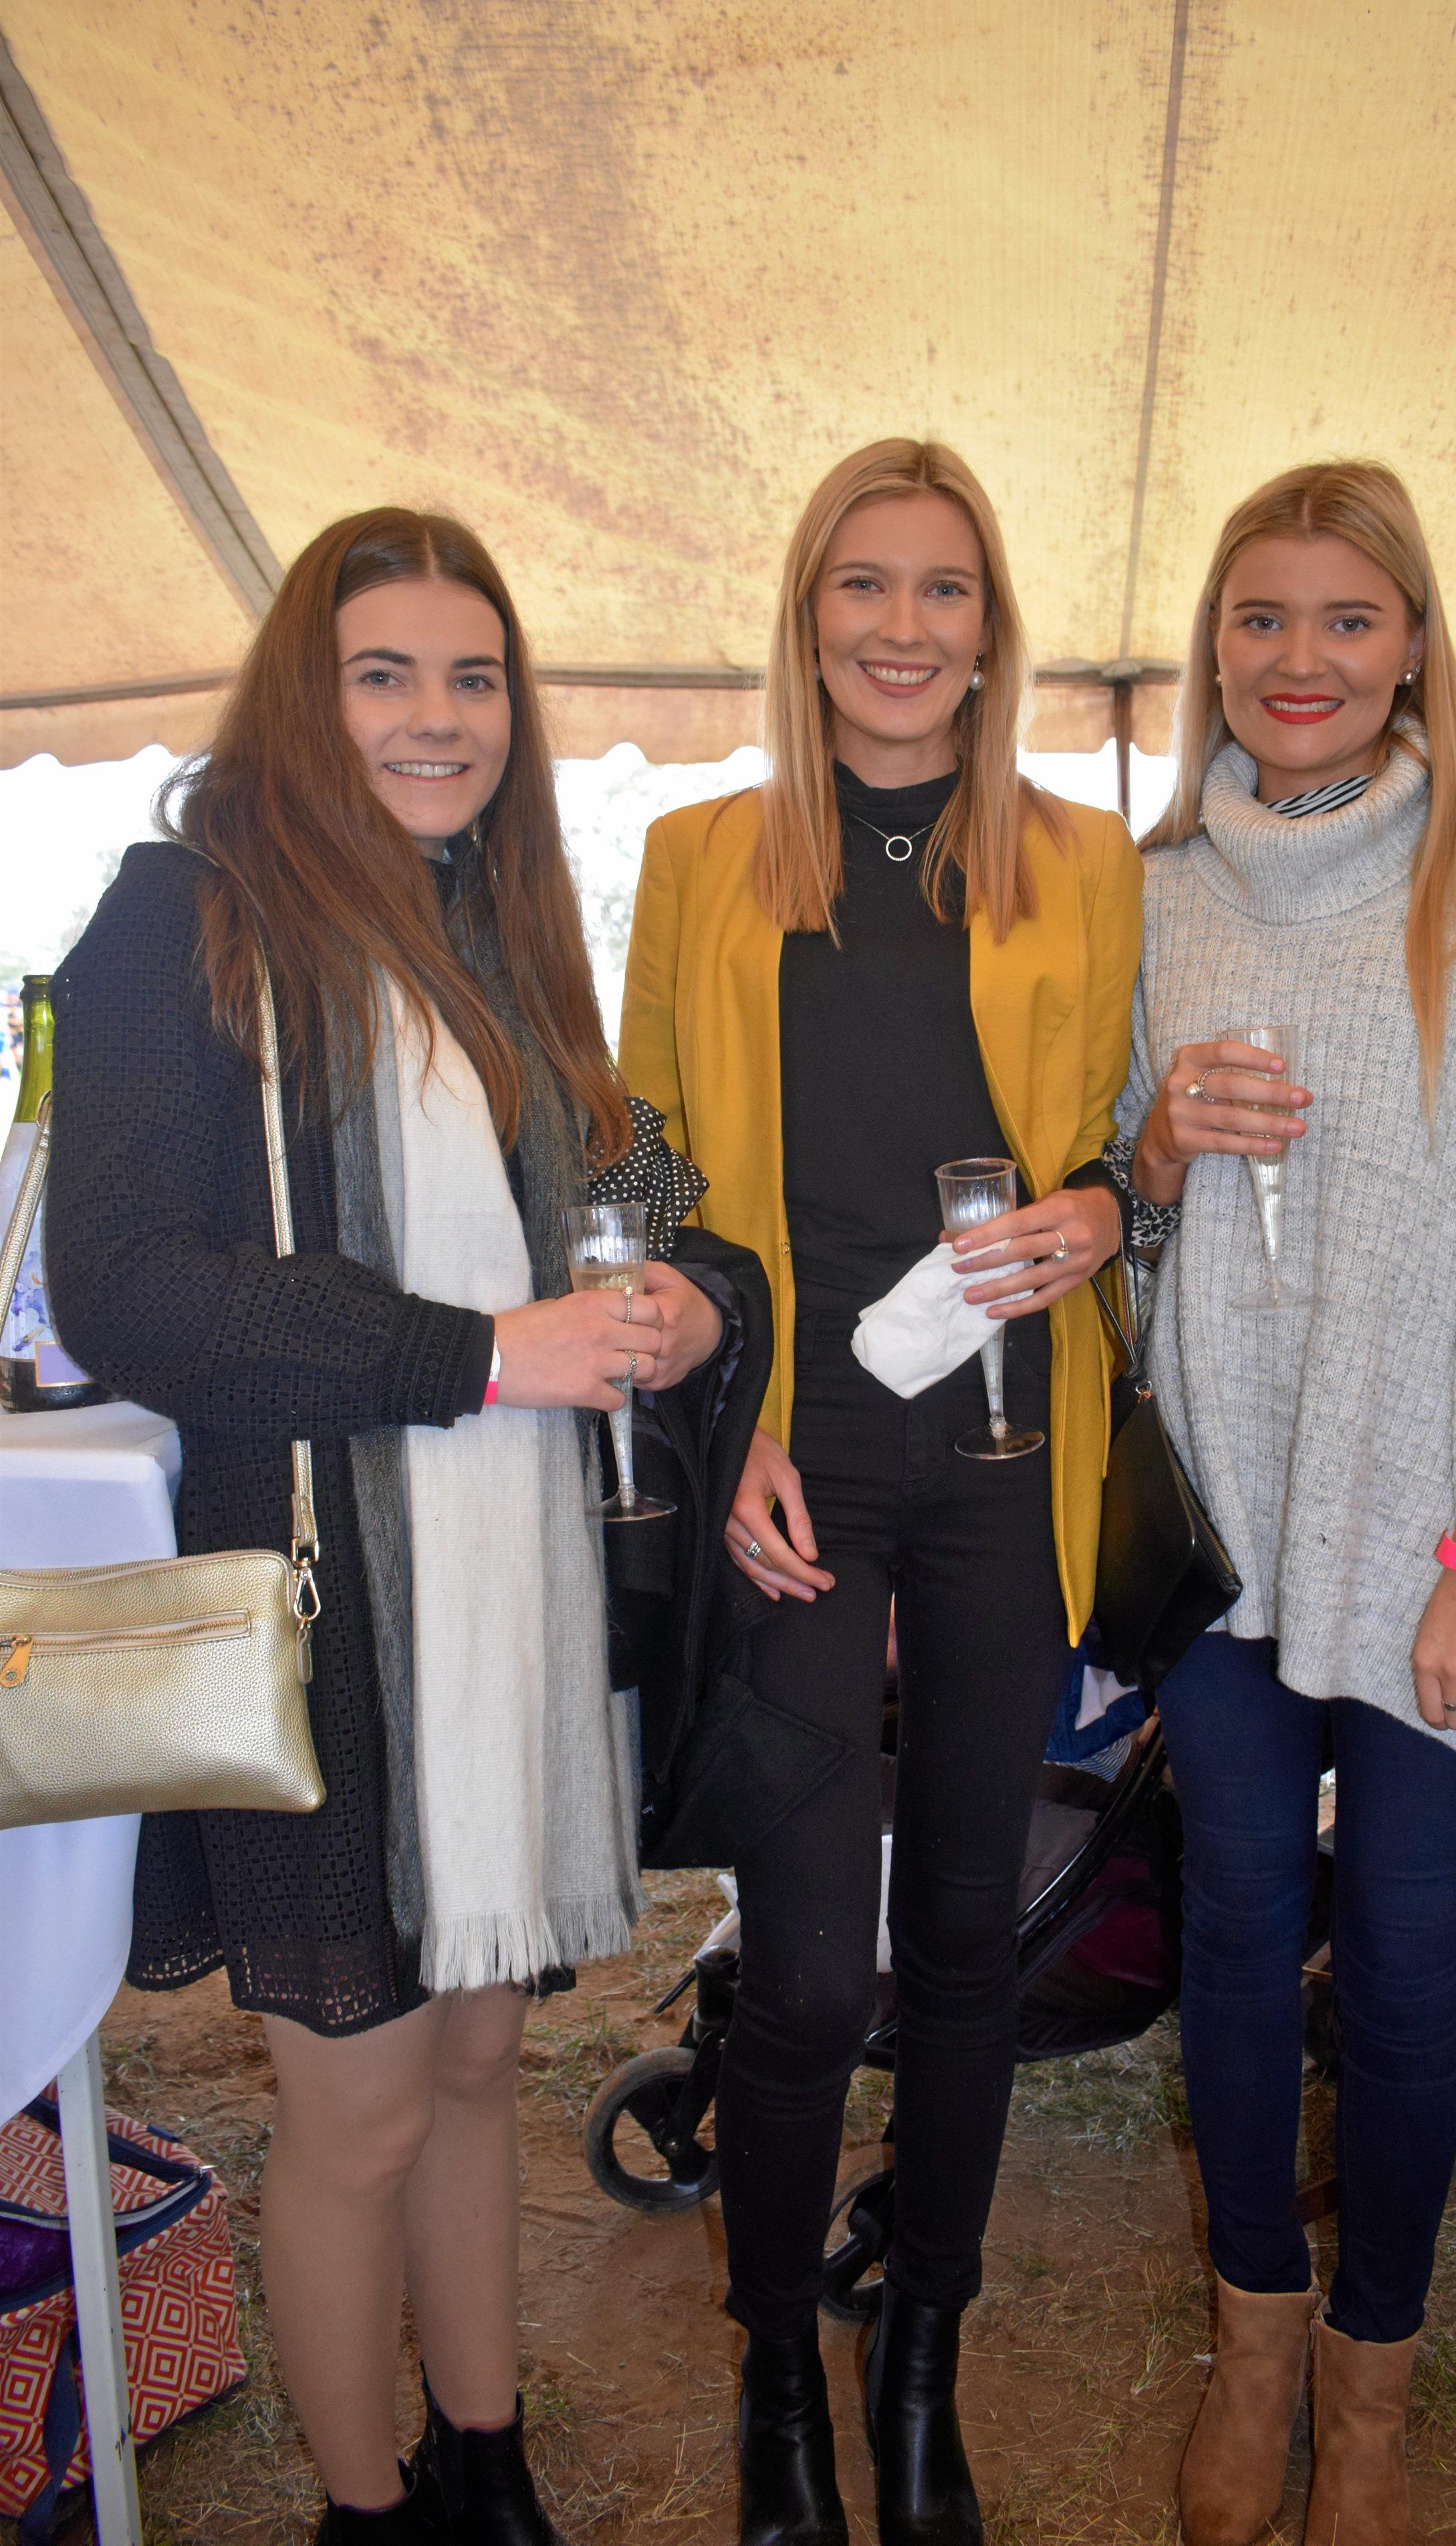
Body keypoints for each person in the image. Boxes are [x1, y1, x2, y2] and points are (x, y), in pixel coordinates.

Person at [46, 510, 727, 2546]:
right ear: (301, 689)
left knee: (471, 2073)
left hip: (507, 1594)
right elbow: (128, 1288)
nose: (436, 719)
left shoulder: (505, 937)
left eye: (473, 676)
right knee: (346, 2110)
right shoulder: (182, 913)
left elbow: (633, 1187)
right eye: (384, 673)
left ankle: (484, 2462)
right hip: (332, 1598)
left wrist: (692, 1291)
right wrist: (476, 1355)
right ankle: (364, 2510)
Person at [1102, 461, 1456, 2546]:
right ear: (1212, 652)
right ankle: (1255, 2341)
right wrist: (1155, 1147)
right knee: (1244, 1936)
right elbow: (1105, 1238)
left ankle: (1373, 2392)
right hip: (1233, 1530)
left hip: (1449, 1526)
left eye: (1347, 619)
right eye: (1260, 619)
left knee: (1413, 1960)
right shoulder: (1147, 890)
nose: (1301, 659)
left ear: (1415, 640)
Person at [618, 438, 1142, 2546]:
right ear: (805, 612)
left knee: (962, 1952)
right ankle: (772, 2365)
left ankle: (918, 2345)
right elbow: (640, 1165)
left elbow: (1138, 1144)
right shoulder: (696, 856)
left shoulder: (1092, 864)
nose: (902, 628)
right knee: (810, 1973)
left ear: (990, 630)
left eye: (943, 590)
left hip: (1016, 1457)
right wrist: (714, 1408)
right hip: (793, 1462)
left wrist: (1110, 1203)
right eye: (863, 584)